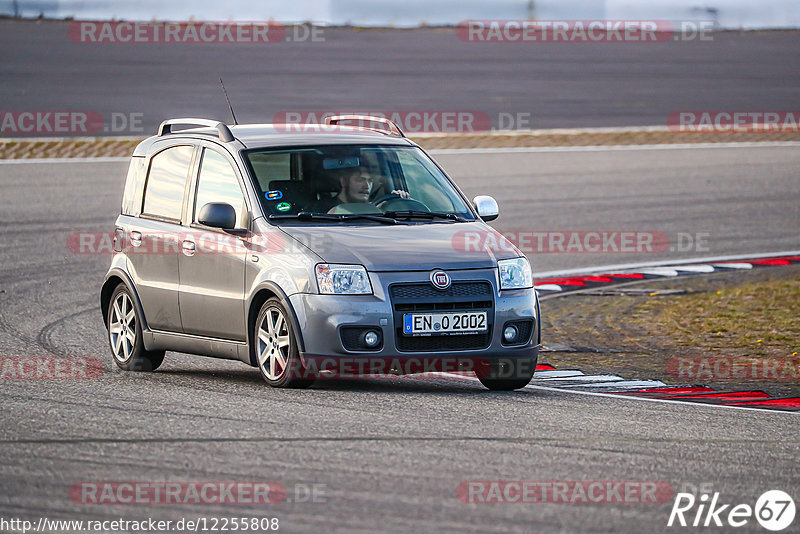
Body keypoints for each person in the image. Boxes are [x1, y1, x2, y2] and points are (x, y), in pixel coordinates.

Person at [320, 165, 409, 212]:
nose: (366, 186)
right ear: (344, 182)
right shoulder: (321, 210)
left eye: (370, 181)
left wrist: (397, 203)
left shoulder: (375, 208)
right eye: (360, 180)